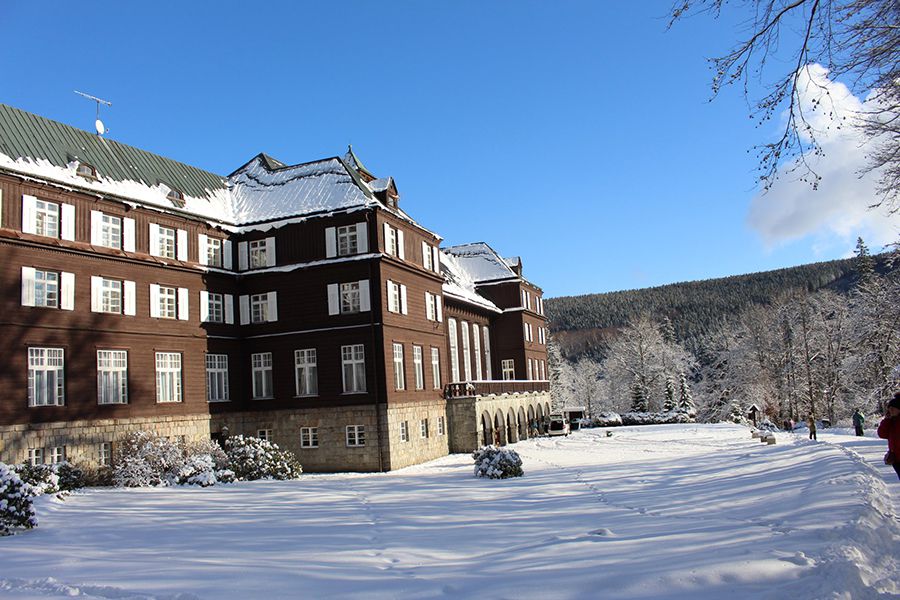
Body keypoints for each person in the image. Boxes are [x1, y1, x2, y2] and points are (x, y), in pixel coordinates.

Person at [877, 392, 900, 481]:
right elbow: (882, 434)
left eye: (893, 408)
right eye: (889, 408)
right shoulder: (891, 421)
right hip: (896, 458)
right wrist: (887, 420)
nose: (890, 410)